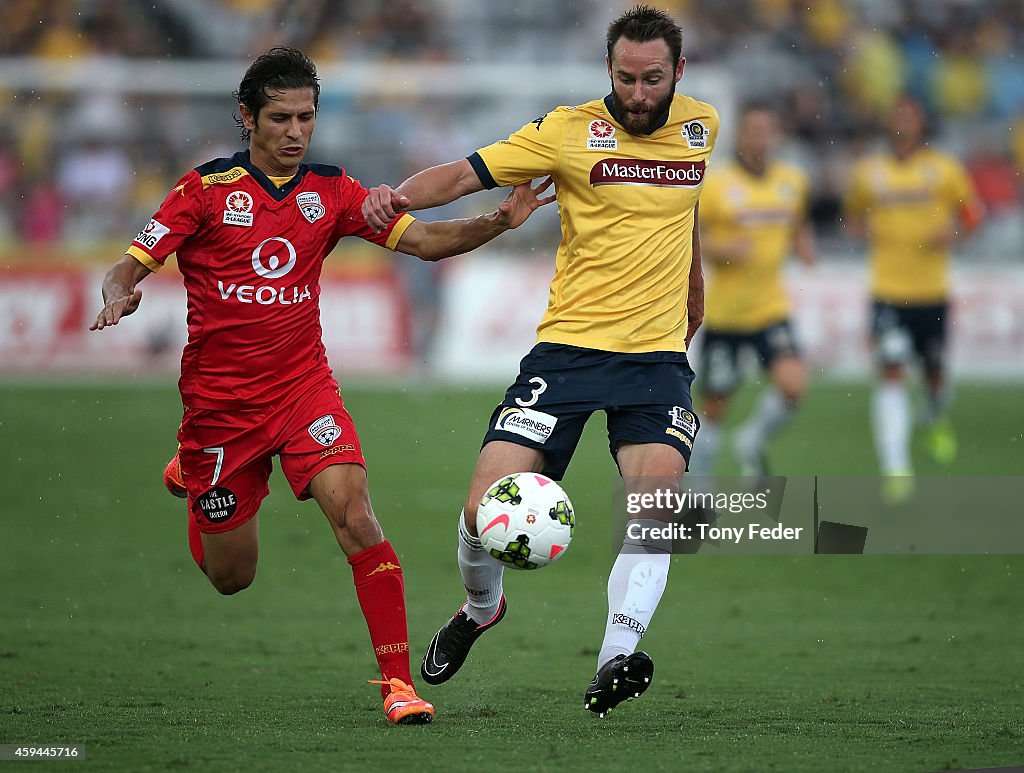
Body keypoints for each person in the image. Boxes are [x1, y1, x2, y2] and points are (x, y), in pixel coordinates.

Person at [89, 47, 551, 725]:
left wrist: (496, 222)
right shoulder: (205, 190)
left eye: (306, 116)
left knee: (357, 515)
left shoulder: (331, 191)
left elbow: (422, 241)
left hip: (305, 391)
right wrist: (120, 294)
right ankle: (194, 475)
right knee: (231, 577)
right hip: (220, 413)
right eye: (281, 117)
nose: (296, 130)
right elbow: (127, 267)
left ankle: (398, 684)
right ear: (247, 117)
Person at [362, 5, 718, 717]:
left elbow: (685, 214)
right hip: (568, 351)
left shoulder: (702, 126)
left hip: (654, 358)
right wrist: (395, 196)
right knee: (479, 509)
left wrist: (694, 292)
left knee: (657, 509)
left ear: (678, 73)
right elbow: (466, 175)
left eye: (653, 80)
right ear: (607, 71)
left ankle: (616, 656)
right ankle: (480, 606)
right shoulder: (567, 131)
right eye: (626, 79)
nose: (639, 95)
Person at [844, 94, 983, 501]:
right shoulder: (870, 172)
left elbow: (972, 214)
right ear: (889, 123)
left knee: (936, 377)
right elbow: (852, 214)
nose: (903, 122)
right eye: (897, 115)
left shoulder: (943, 169)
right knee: (891, 372)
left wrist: (954, 235)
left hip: (932, 293)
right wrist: (863, 233)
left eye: (910, 115)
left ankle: (935, 417)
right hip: (888, 292)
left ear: (921, 123)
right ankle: (896, 466)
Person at [687, 102, 816, 479]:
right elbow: (687, 237)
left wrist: (804, 244)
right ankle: (699, 489)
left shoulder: (792, 181)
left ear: (776, 136)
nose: (759, 138)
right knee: (714, 407)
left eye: (766, 130)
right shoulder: (717, 184)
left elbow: (797, 221)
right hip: (726, 314)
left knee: (793, 386)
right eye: (752, 131)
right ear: (740, 136)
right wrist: (722, 248)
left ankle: (752, 437)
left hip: (770, 308)